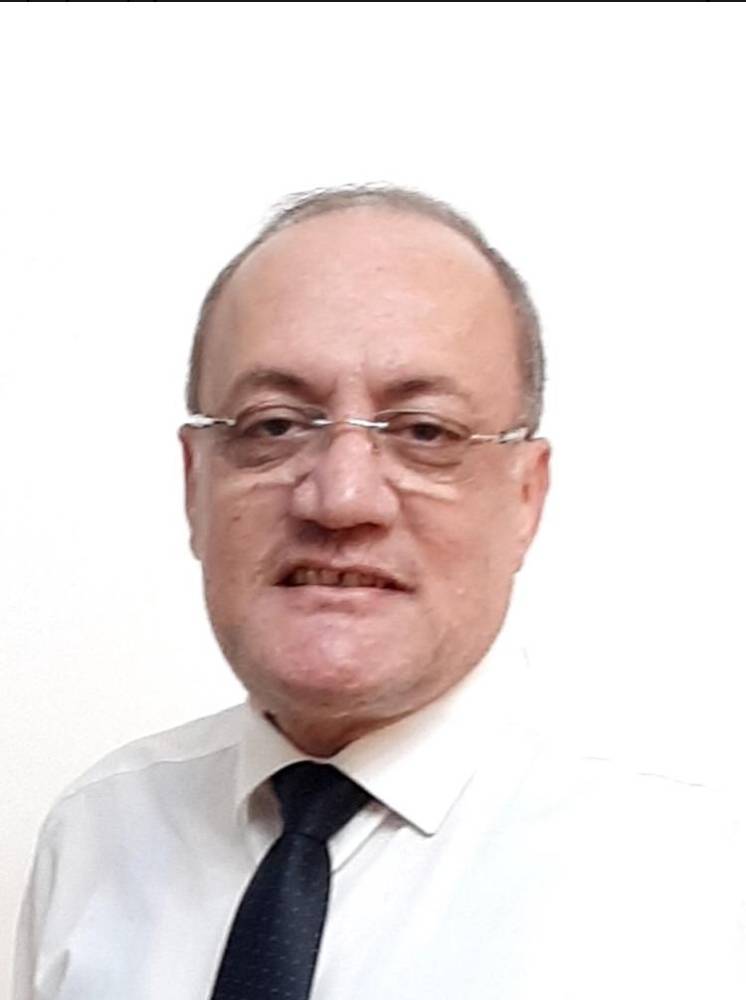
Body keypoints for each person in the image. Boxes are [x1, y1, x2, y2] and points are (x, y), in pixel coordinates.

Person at [13, 185, 746, 999]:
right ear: (195, 485)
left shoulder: (694, 873)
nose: (342, 498)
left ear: (525, 497)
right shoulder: (99, 836)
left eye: (426, 432)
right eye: (274, 425)